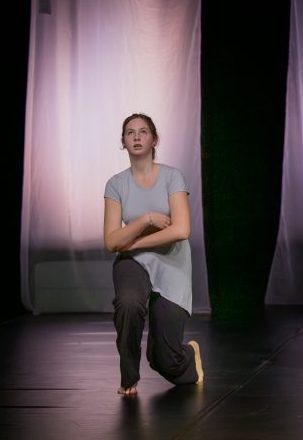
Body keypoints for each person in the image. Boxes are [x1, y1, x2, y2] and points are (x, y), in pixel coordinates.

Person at [103, 113, 203, 395]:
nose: (136, 137)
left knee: (164, 360)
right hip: (133, 263)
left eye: (143, 131)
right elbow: (111, 241)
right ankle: (128, 379)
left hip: (171, 261)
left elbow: (181, 230)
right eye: (130, 132)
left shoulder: (172, 176)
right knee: (129, 304)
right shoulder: (115, 184)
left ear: (154, 139)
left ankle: (187, 356)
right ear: (123, 141)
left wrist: (132, 242)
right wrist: (146, 219)